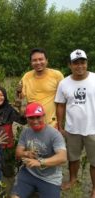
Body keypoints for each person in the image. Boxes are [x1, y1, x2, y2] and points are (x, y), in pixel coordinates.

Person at [55, 49, 95, 197]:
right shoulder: (64, 83)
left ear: (87, 63)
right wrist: (60, 124)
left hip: (93, 128)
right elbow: (60, 105)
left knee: (94, 161)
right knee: (73, 157)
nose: (79, 66)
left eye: (82, 62)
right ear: (70, 65)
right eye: (75, 63)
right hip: (72, 129)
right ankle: (73, 180)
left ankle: (94, 189)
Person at [11, 103, 67, 198]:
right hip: (29, 173)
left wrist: (39, 162)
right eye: (31, 118)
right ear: (27, 118)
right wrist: (26, 153)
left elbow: (62, 157)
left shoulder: (54, 134)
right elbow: (18, 153)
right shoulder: (26, 132)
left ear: (44, 116)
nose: (35, 121)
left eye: (38, 117)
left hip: (50, 178)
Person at [16, 48, 64, 127]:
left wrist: (60, 124)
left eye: (41, 59)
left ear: (47, 60)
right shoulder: (27, 77)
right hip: (33, 125)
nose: (38, 62)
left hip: (52, 124)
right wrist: (18, 95)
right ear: (31, 62)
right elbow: (19, 96)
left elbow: (63, 100)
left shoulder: (57, 75)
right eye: (34, 60)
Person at [0, 86, 27, 177]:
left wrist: (20, 108)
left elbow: (23, 121)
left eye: (1, 95)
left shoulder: (9, 110)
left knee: (8, 173)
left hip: (7, 148)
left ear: (5, 96)